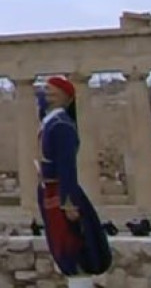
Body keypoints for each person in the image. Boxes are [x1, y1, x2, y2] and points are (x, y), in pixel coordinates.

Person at [36, 75, 112, 288]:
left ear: (64, 97)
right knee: (60, 243)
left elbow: (67, 166)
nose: (44, 94)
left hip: (60, 193)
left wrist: (68, 202)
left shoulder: (62, 126)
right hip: (51, 191)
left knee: (72, 245)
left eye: (50, 90)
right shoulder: (50, 124)